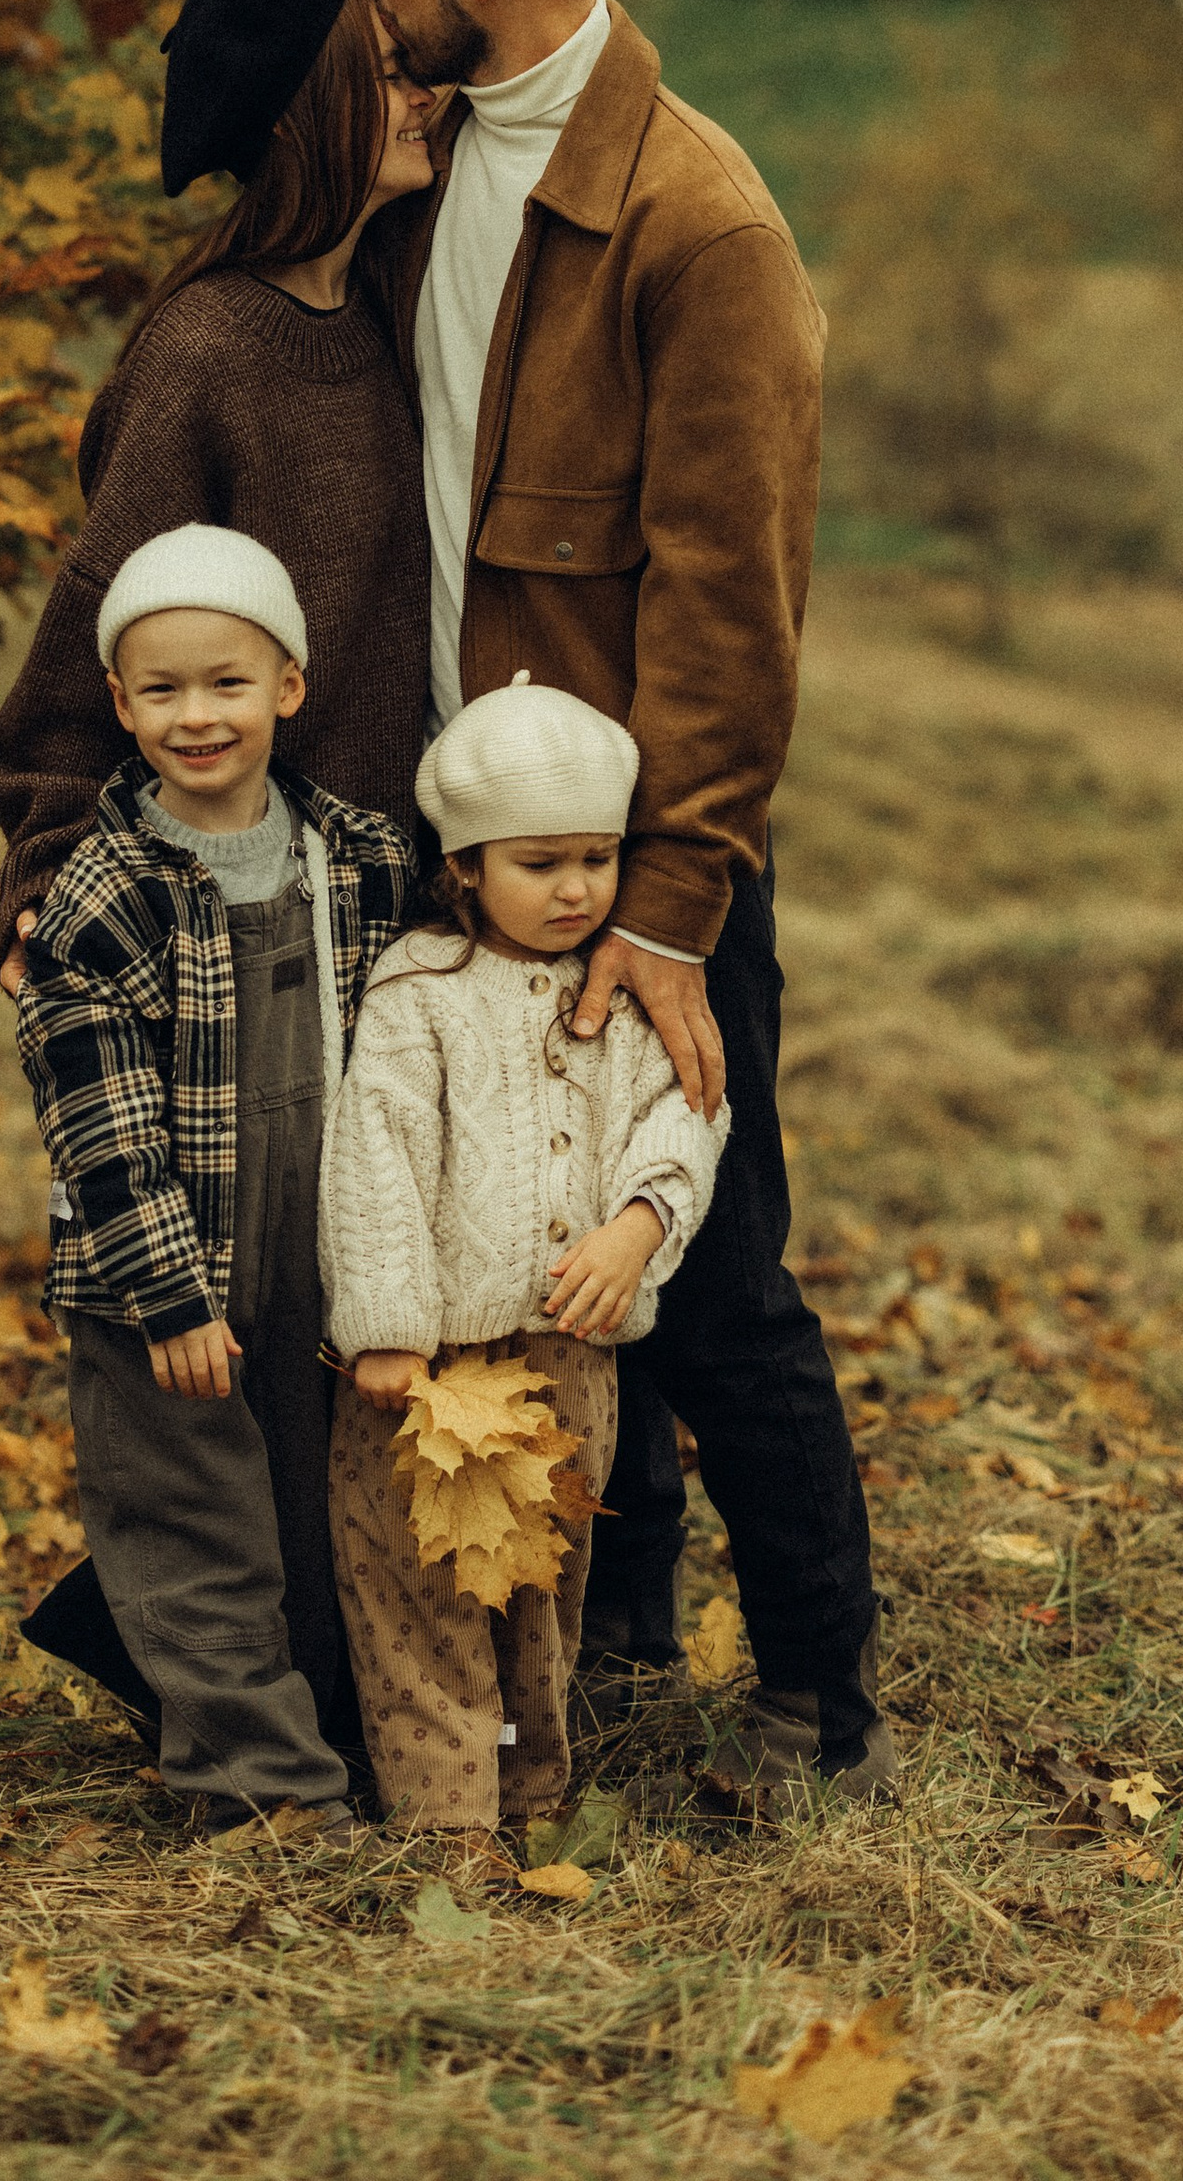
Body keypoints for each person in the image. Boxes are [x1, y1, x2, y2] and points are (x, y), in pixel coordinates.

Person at [358, 0, 895, 1799]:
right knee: (515, 1253)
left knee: (703, 1275)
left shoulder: (696, 223)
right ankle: (609, 1652)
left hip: (632, 879)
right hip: (459, 862)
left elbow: (730, 606)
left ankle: (819, 1703)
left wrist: (668, 908)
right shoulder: (445, 153)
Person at [13, 522, 414, 1831]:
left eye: (229, 682)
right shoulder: (104, 894)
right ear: (120, 706)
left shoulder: (358, 857)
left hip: (314, 1239)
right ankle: (254, 1788)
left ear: (290, 687)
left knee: (309, 1518)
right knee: (194, 1516)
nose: (199, 715)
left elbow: (408, 1053)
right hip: (163, 1261)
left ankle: (315, 1727)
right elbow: (100, 1118)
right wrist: (170, 1295)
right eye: (164, 690)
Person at [0, 0, 436, 991]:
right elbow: (98, 624)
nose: (424, 98)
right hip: (240, 934)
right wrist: (44, 866)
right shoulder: (206, 356)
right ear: (304, 116)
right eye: (385, 76)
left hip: (390, 914)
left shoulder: (384, 310)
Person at [319, 672, 726, 1838]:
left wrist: (639, 1228)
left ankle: (527, 1788)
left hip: (570, 1357)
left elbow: (687, 1113)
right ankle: (446, 1818)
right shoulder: (419, 989)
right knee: (420, 1591)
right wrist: (388, 1324)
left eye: (596, 860)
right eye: (538, 863)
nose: (574, 889)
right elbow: (373, 1150)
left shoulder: (626, 990)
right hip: (432, 1368)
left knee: (536, 1589)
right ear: (465, 868)